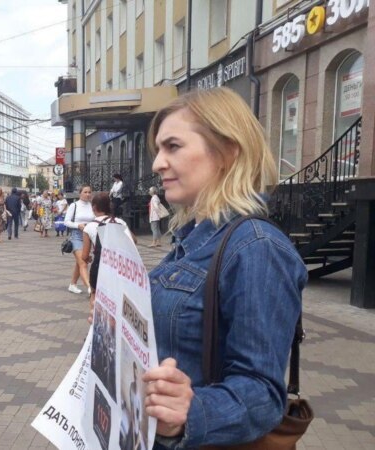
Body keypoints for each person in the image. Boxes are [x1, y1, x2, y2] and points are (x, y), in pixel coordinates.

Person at [139, 88, 306, 448]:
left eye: (173, 146)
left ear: (228, 151)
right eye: (158, 150)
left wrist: (189, 413)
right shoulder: (192, 239)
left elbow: (262, 395)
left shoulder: (257, 248)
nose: (157, 164)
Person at [81, 192, 134, 295]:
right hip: (118, 267)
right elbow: (133, 241)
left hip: (99, 268)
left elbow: (84, 256)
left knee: (95, 296)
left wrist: (88, 258)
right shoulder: (119, 222)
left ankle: (93, 310)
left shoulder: (89, 227)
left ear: (94, 207)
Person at [63, 185, 94, 294]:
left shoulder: (91, 206)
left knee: (80, 262)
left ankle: (72, 284)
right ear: (80, 193)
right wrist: (78, 225)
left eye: (89, 192)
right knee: (83, 263)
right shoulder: (74, 205)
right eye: (85, 192)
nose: (88, 194)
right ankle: (90, 288)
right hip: (76, 236)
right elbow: (66, 221)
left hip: (89, 237)